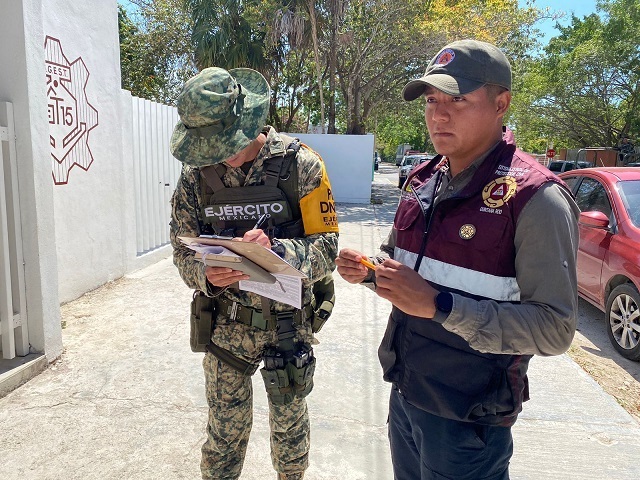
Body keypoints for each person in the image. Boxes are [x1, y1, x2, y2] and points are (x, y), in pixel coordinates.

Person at [336, 39, 580, 479]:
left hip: (469, 421)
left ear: (501, 103)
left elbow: (555, 329)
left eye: (457, 100)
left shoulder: (534, 199)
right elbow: (407, 270)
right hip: (408, 392)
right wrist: (371, 274)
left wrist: (440, 306)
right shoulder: (422, 180)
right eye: (432, 101)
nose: (438, 114)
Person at [169, 67, 339, 480]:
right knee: (223, 435)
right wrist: (206, 274)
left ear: (247, 122)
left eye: (223, 142)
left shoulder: (303, 165)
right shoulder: (196, 178)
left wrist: (279, 251)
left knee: (289, 430)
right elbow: (181, 247)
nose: (219, 154)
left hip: (287, 325)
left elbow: (328, 249)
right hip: (226, 325)